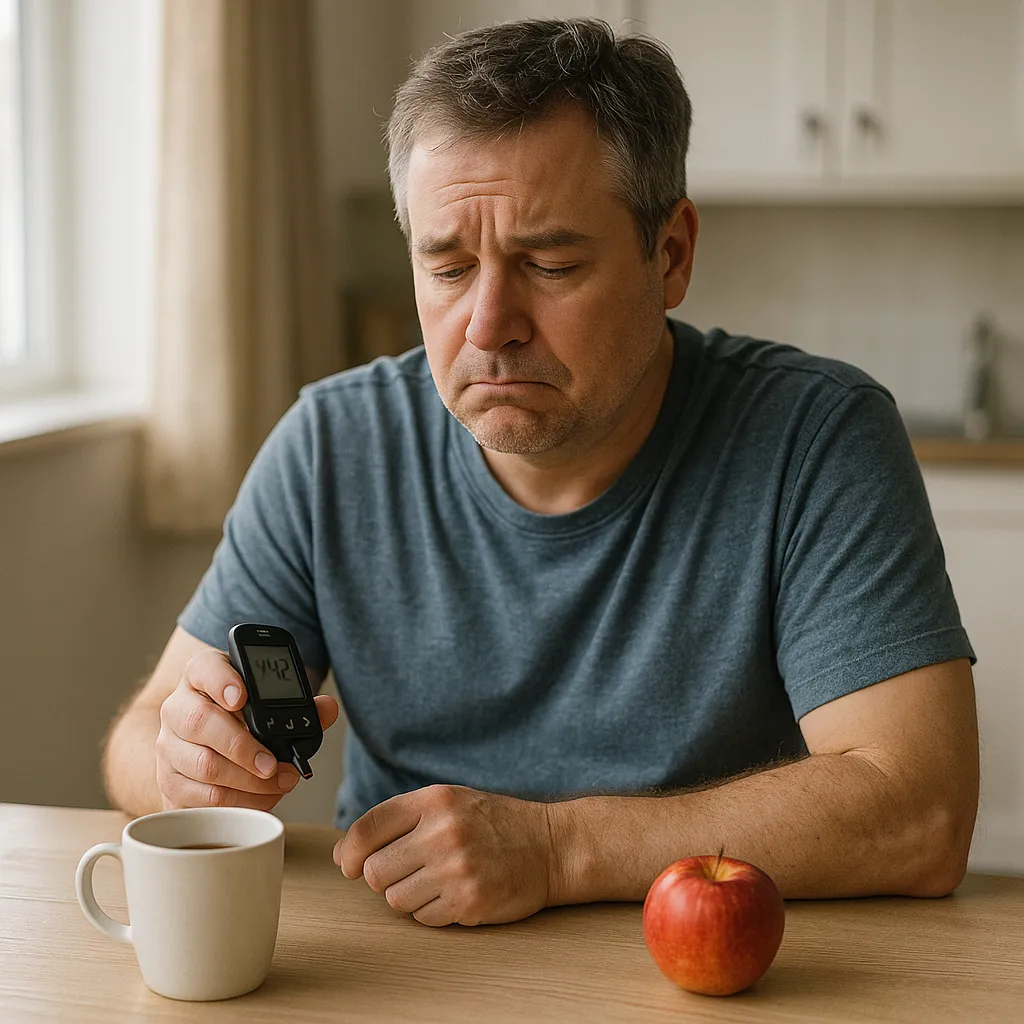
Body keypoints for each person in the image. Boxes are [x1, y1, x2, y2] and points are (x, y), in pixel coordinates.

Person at [103, 18, 979, 927]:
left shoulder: (816, 437)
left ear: (670, 254)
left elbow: (919, 813)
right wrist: (184, 762)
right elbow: (139, 740)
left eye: (550, 264)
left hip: (707, 962)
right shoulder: (333, 441)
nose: (488, 325)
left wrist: (558, 849)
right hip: (402, 959)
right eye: (446, 268)